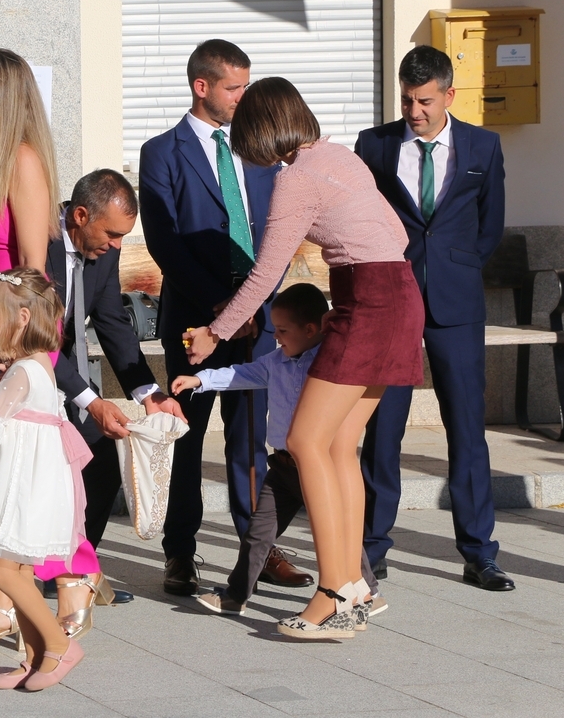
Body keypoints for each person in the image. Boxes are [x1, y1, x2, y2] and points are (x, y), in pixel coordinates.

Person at [185, 77, 424, 641]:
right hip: (399, 295)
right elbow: (397, 234)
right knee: (339, 445)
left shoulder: (295, 179)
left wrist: (214, 334)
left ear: (260, 130)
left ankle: (333, 591)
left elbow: (267, 272)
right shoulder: (339, 157)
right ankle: (355, 586)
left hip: (367, 301)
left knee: (304, 441)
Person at [0, 49, 100, 644]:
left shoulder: (22, 161)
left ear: (1, 101)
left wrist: (20, 346)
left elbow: (34, 266)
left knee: (23, 468)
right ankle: (12, 595)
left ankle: (59, 579)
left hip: (17, 329)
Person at [138, 40, 307, 597]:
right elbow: (166, 242)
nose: (243, 97)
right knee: (187, 438)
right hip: (197, 321)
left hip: (259, 322)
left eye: (246, 86)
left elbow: (279, 233)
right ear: (202, 86)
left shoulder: (257, 149)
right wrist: (221, 308)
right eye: (235, 88)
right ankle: (180, 553)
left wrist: (257, 307)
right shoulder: (162, 152)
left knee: (251, 438)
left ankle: (258, 547)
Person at [355, 45, 513, 591]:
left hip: (456, 305)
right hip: (392, 301)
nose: (414, 111)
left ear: (449, 95)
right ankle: (370, 548)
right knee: (383, 428)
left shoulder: (482, 146)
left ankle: (479, 553)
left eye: (424, 101)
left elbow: (490, 224)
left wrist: (458, 268)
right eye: (406, 100)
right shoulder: (374, 145)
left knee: (467, 428)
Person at [174, 283, 381, 620]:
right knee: (258, 533)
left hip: (319, 466)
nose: (277, 338)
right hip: (283, 467)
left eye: (283, 331)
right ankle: (235, 595)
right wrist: (201, 380)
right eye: (275, 331)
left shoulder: (330, 364)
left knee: (340, 530)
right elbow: (242, 374)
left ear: (310, 329)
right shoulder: (276, 361)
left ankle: (367, 588)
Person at [45, 168, 183, 622]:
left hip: (65, 366)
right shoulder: (38, 239)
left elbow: (111, 321)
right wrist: (91, 400)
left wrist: (149, 393)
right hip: (20, 366)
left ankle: (73, 572)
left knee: (102, 457)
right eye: (112, 234)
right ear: (80, 216)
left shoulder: (102, 251)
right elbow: (34, 339)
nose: (118, 245)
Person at [0, 268, 89, 692]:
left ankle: (60, 645)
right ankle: (34, 659)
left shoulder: (24, 371)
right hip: (30, 480)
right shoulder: (36, 364)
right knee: (21, 572)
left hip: (23, 488)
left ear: (22, 317)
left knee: (4, 571)